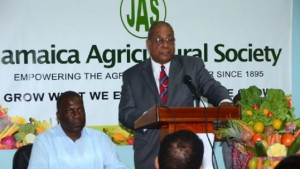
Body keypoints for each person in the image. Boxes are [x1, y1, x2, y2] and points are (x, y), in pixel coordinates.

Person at [119, 21, 233, 169]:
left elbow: (211, 86)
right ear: (148, 44)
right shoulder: (132, 75)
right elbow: (125, 113)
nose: (165, 45)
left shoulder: (192, 66)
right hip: (148, 154)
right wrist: (148, 117)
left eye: (169, 39)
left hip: (184, 152)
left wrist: (224, 101)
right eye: (159, 40)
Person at [28, 91, 128, 169]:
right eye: (70, 111)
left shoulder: (100, 139)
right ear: (58, 115)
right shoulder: (44, 141)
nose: (77, 114)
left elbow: (117, 166)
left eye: (80, 109)